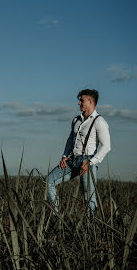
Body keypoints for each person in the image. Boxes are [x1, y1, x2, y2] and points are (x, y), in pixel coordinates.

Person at [44, 89, 111, 218]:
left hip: (87, 161)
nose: (78, 103)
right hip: (72, 159)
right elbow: (70, 140)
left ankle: (90, 227)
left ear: (90, 101)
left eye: (81, 100)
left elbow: (106, 146)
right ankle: (55, 216)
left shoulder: (99, 121)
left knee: (88, 196)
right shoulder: (76, 120)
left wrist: (90, 162)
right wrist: (64, 156)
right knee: (48, 182)